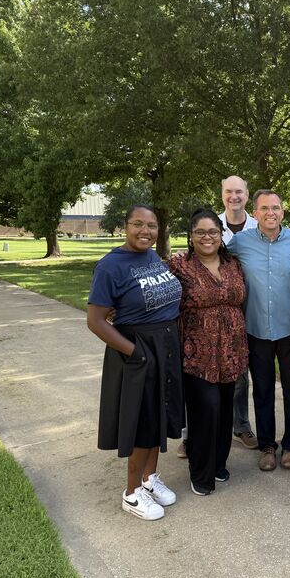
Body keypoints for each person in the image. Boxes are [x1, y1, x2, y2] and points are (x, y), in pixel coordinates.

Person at [87, 204, 183, 521]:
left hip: (165, 346)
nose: (145, 231)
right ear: (125, 226)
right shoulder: (110, 267)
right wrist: (135, 352)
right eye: (138, 224)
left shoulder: (152, 258)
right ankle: (131, 493)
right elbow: (96, 321)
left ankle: (149, 479)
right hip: (138, 351)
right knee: (142, 422)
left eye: (152, 225)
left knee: (157, 416)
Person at [228, 190, 290, 472]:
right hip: (255, 329)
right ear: (254, 213)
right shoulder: (240, 243)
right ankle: (267, 446)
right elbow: (215, 262)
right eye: (264, 208)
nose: (271, 213)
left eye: (276, 208)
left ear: (283, 212)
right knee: (263, 390)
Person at [167, 209, 249, 496]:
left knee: (226, 408)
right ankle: (201, 473)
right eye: (200, 232)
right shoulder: (178, 266)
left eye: (213, 232)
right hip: (196, 353)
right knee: (207, 409)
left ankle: (218, 462)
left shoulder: (233, 264)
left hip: (231, 351)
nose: (207, 237)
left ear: (221, 234)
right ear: (191, 236)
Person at [219, 175, 259, 452]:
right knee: (211, 368)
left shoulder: (261, 225)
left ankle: (241, 425)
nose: (234, 196)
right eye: (229, 192)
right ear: (222, 195)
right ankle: (194, 432)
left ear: (247, 195)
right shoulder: (212, 224)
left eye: (239, 192)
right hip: (221, 307)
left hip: (254, 305)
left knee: (243, 371)